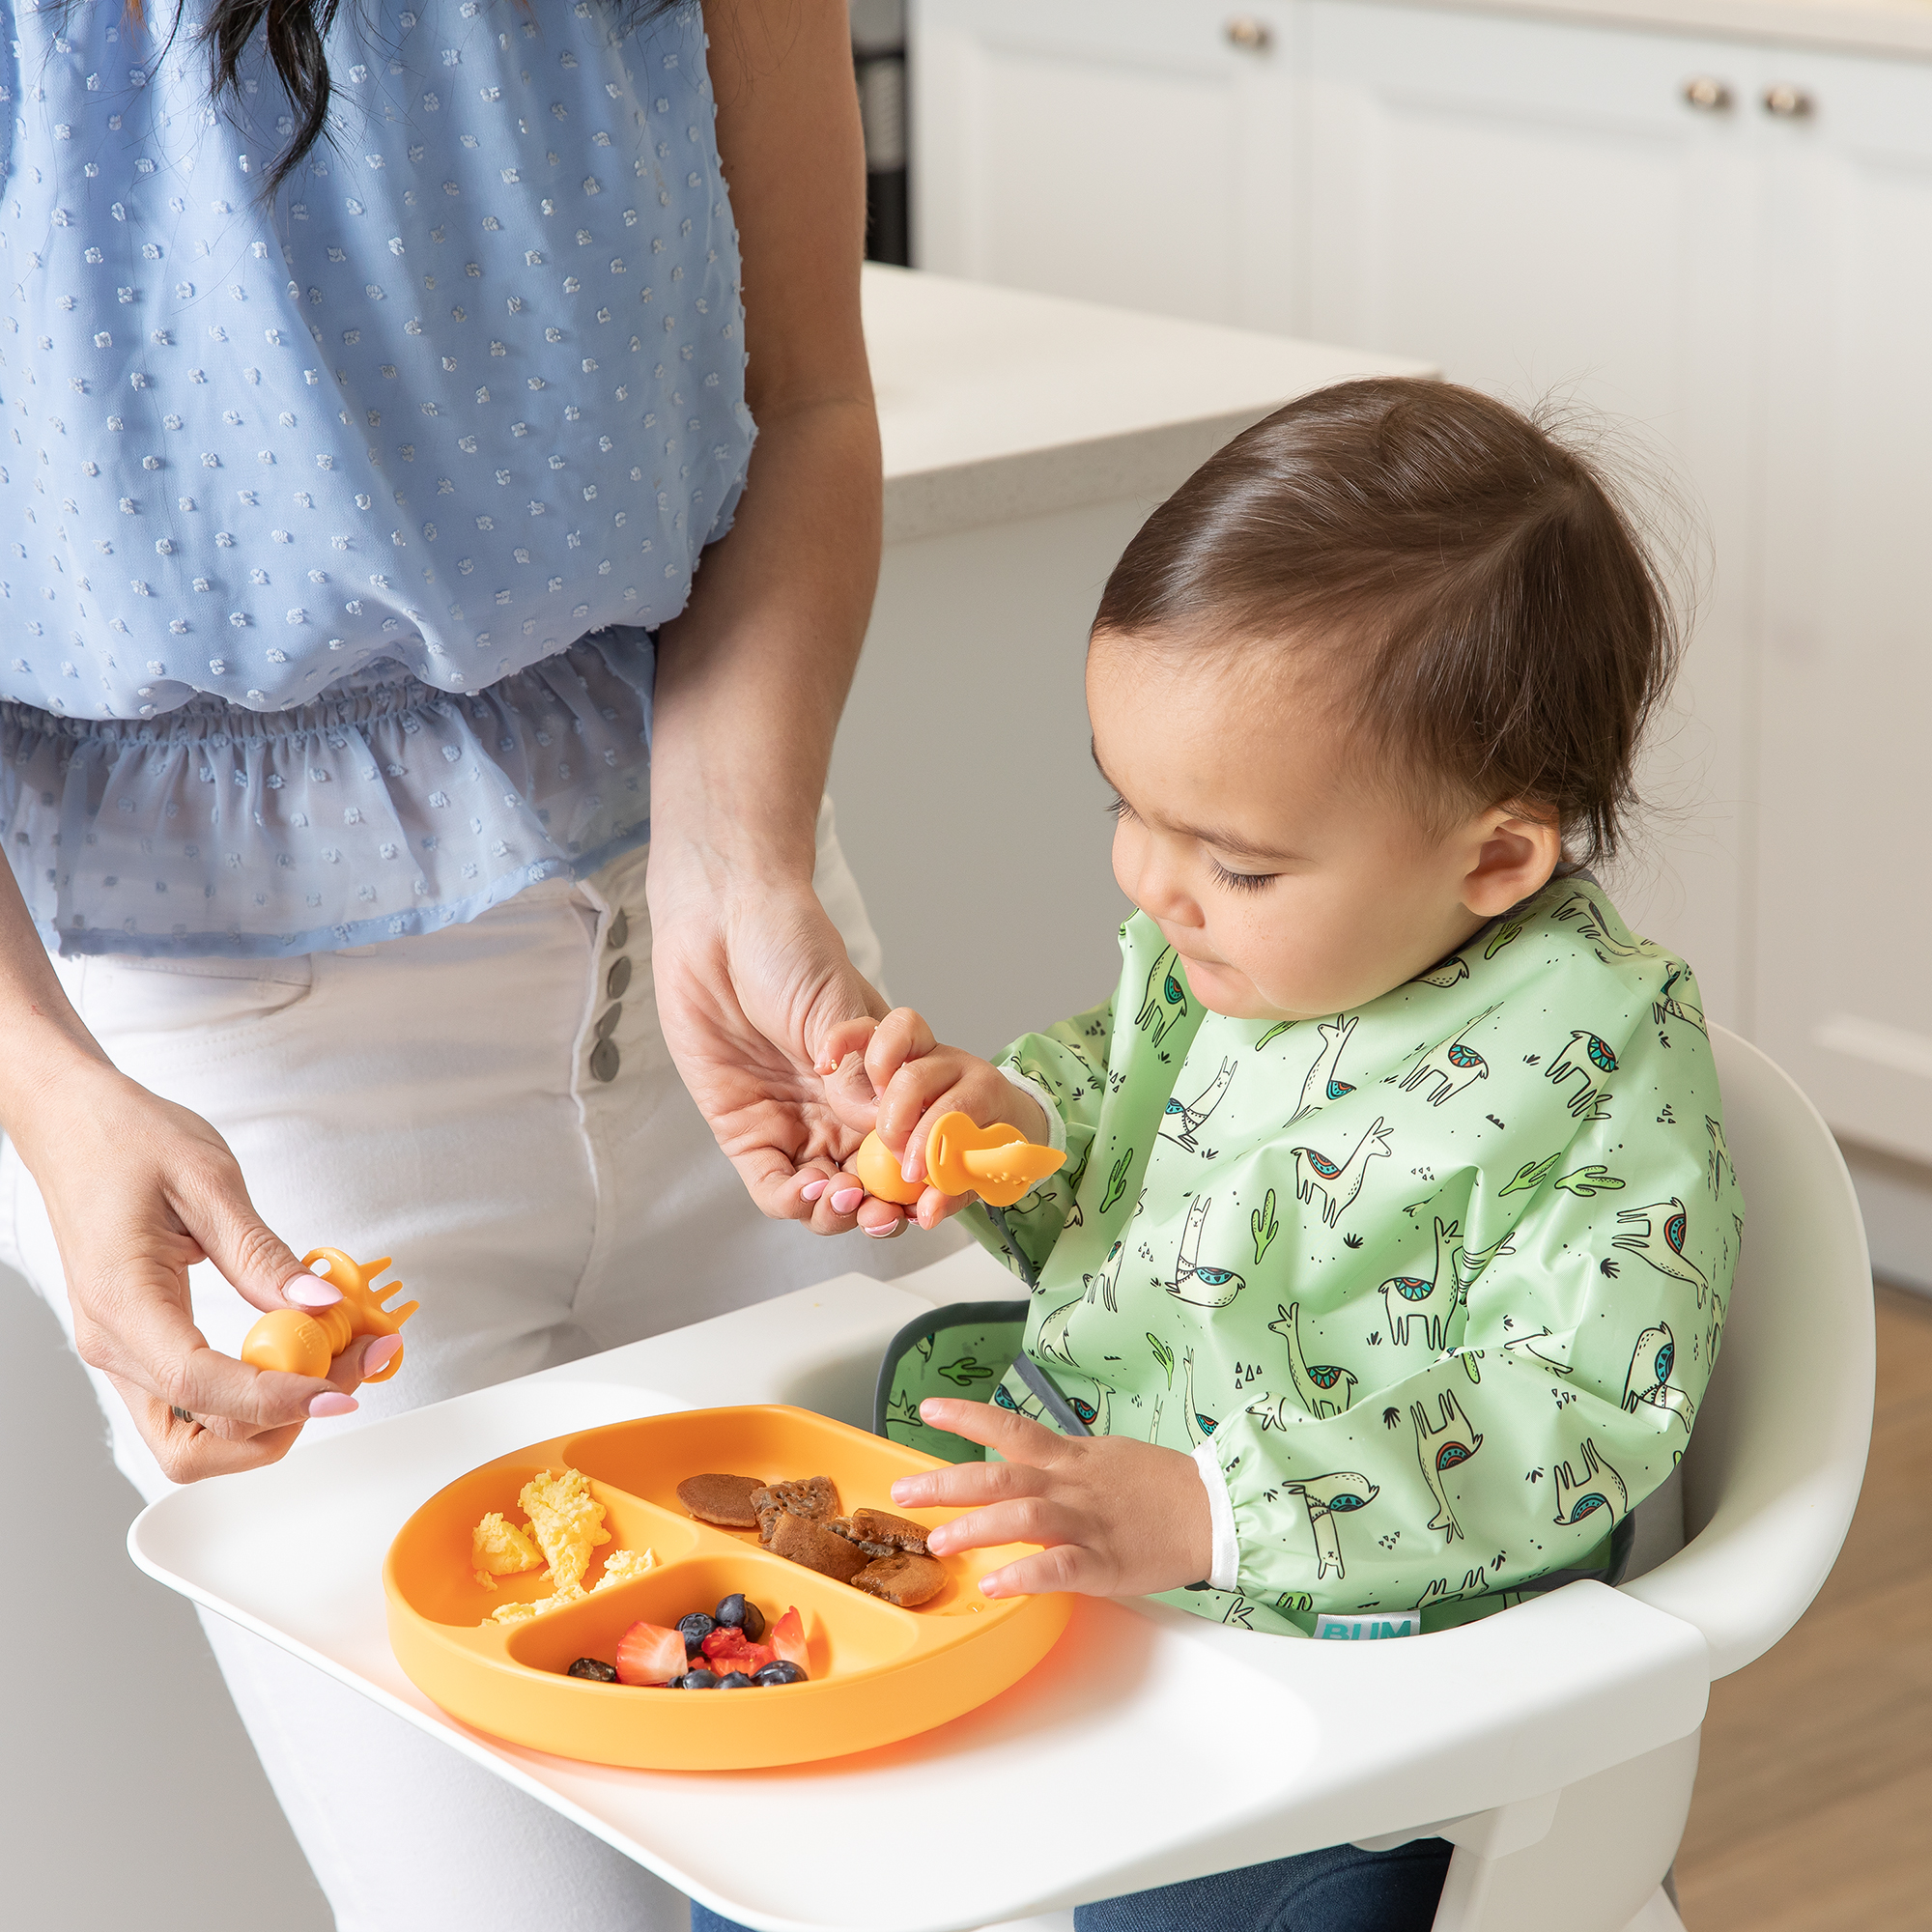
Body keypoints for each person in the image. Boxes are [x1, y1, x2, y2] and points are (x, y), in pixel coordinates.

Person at [0, 1, 928, 1924]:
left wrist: (735, 868)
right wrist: (49, 1097)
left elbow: (809, 406)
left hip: (721, 971)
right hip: (240, 1087)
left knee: (942, 1837)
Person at [725, 379, 1743, 1932]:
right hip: (1082, 1559)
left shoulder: (1598, 1058)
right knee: (781, 1862)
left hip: (1366, 1663)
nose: (1154, 883)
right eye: (1127, 808)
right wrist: (1005, 1132)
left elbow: (1583, 1405)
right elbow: (1124, 1115)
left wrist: (1217, 1509)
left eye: (1237, 861)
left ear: (1494, 857)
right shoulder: (1240, 956)